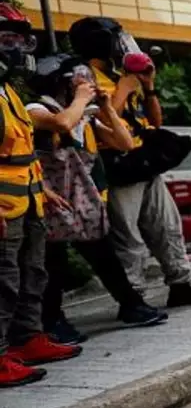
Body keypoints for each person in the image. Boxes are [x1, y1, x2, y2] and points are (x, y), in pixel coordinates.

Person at [67, 17, 191, 307]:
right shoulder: (84, 78)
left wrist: (148, 87)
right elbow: (103, 116)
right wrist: (124, 87)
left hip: (142, 159)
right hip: (117, 162)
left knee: (166, 225)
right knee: (129, 236)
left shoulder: (119, 74)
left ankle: (180, 283)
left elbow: (154, 121)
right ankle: (133, 297)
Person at [29, 55, 168, 343]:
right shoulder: (37, 108)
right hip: (49, 196)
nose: (86, 86)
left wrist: (105, 107)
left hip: (79, 197)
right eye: (79, 82)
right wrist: (81, 100)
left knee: (103, 254)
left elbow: (125, 142)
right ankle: (52, 321)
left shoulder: (83, 114)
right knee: (52, 263)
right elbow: (63, 124)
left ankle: (130, 304)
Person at [0, 4, 85, 387]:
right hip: (4, 207)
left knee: (32, 274)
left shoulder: (9, 93)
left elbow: (20, 152)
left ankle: (27, 338)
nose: (18, 48)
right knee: (3, 280)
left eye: (20, 39)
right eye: (8, 39)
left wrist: (44, 189)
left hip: (28, 200)